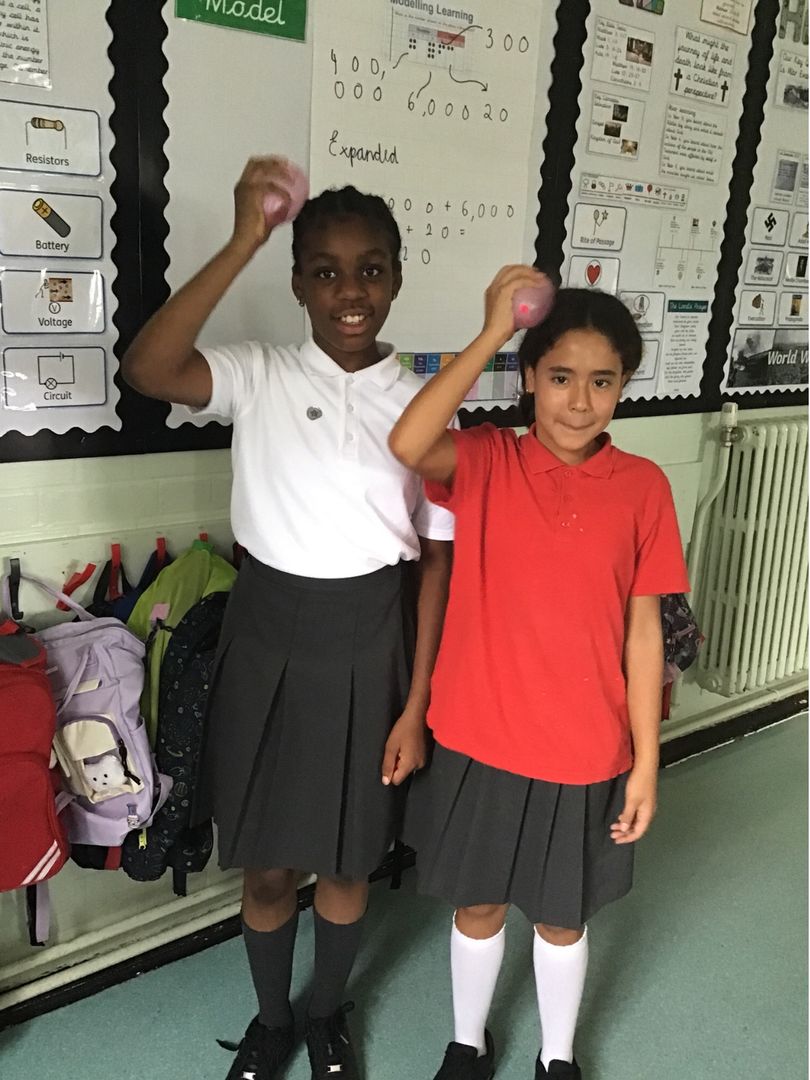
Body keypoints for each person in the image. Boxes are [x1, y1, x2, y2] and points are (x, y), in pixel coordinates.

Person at [121, 157, 454, 1080]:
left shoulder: (425, 403)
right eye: (326, 271)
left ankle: (327, 1012)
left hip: (372, 638)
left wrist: (416, 704)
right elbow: (148, 369)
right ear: (299, 281)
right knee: (268, 865)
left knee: (347, 860)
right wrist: (245, 238)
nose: (351, 291)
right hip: (266, 630)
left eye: (371, 269)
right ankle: (272, 1021)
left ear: (397, 277)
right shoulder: (259, 372)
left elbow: (436, 563)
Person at [388, 266, 689, 1080]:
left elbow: (644, 635)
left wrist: (647, 765)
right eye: (560, 377)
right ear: (528, 377)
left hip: (585, 749)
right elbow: (408, 442)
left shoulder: (644, 488)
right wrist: (494, 329)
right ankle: (467, 1042)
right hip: (480, 736)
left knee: (562, 918)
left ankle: (557, 1056)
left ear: (623, 385)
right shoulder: (486, 461)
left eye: (602, 381)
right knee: (478, 903)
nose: (579, 401)